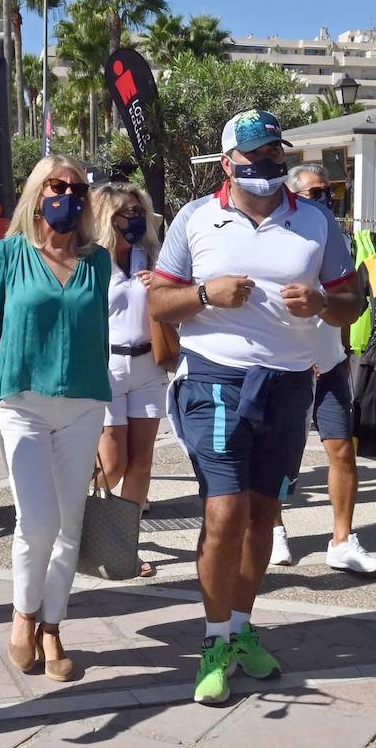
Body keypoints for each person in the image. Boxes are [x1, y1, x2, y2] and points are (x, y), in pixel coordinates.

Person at [149, 108, 362, 705]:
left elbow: (353, 301)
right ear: (226, 164)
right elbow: (160, 301)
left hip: (290, 383)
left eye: (275, 155)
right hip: (213, 380)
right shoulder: (195, 219)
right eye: (254, 157)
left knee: (264, 514)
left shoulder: (317, 221)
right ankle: (214, 640)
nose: (267, 166)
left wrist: (322, 301)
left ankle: (241, 628)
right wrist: (202, 294)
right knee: (224, 512)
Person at [0, 154, 111, 684]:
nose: (68, 195)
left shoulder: (100, 261)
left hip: (84, 404)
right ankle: (23, 613)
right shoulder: (8, 254)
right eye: (56, 186)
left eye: (77, 188)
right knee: (38, 520)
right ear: (37, 194)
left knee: (69, 526)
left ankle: (53, 626)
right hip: (22, 402)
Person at [269, 164, 376, 573]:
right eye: (315, 194)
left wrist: (346, 344)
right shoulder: (284, 236)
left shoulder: (337, 238)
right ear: (295, 196)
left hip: (331, 361)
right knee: (282, 454)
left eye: (329, 193)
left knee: (341, 450)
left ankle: (342, 540)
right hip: (289, 363)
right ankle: (274, 529)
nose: (325, 200)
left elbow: (349, 299)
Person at [92, 181, 167, 528]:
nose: (136, 218)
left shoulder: (152, 254)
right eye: (128, 211)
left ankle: (124, 543)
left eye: (140, 210)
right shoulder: (90, 260)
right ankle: (78, 523)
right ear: (108, 216)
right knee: (112, 465)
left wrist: (163, 288)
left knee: (141, 463)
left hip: (149, 366)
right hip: (105, 367)